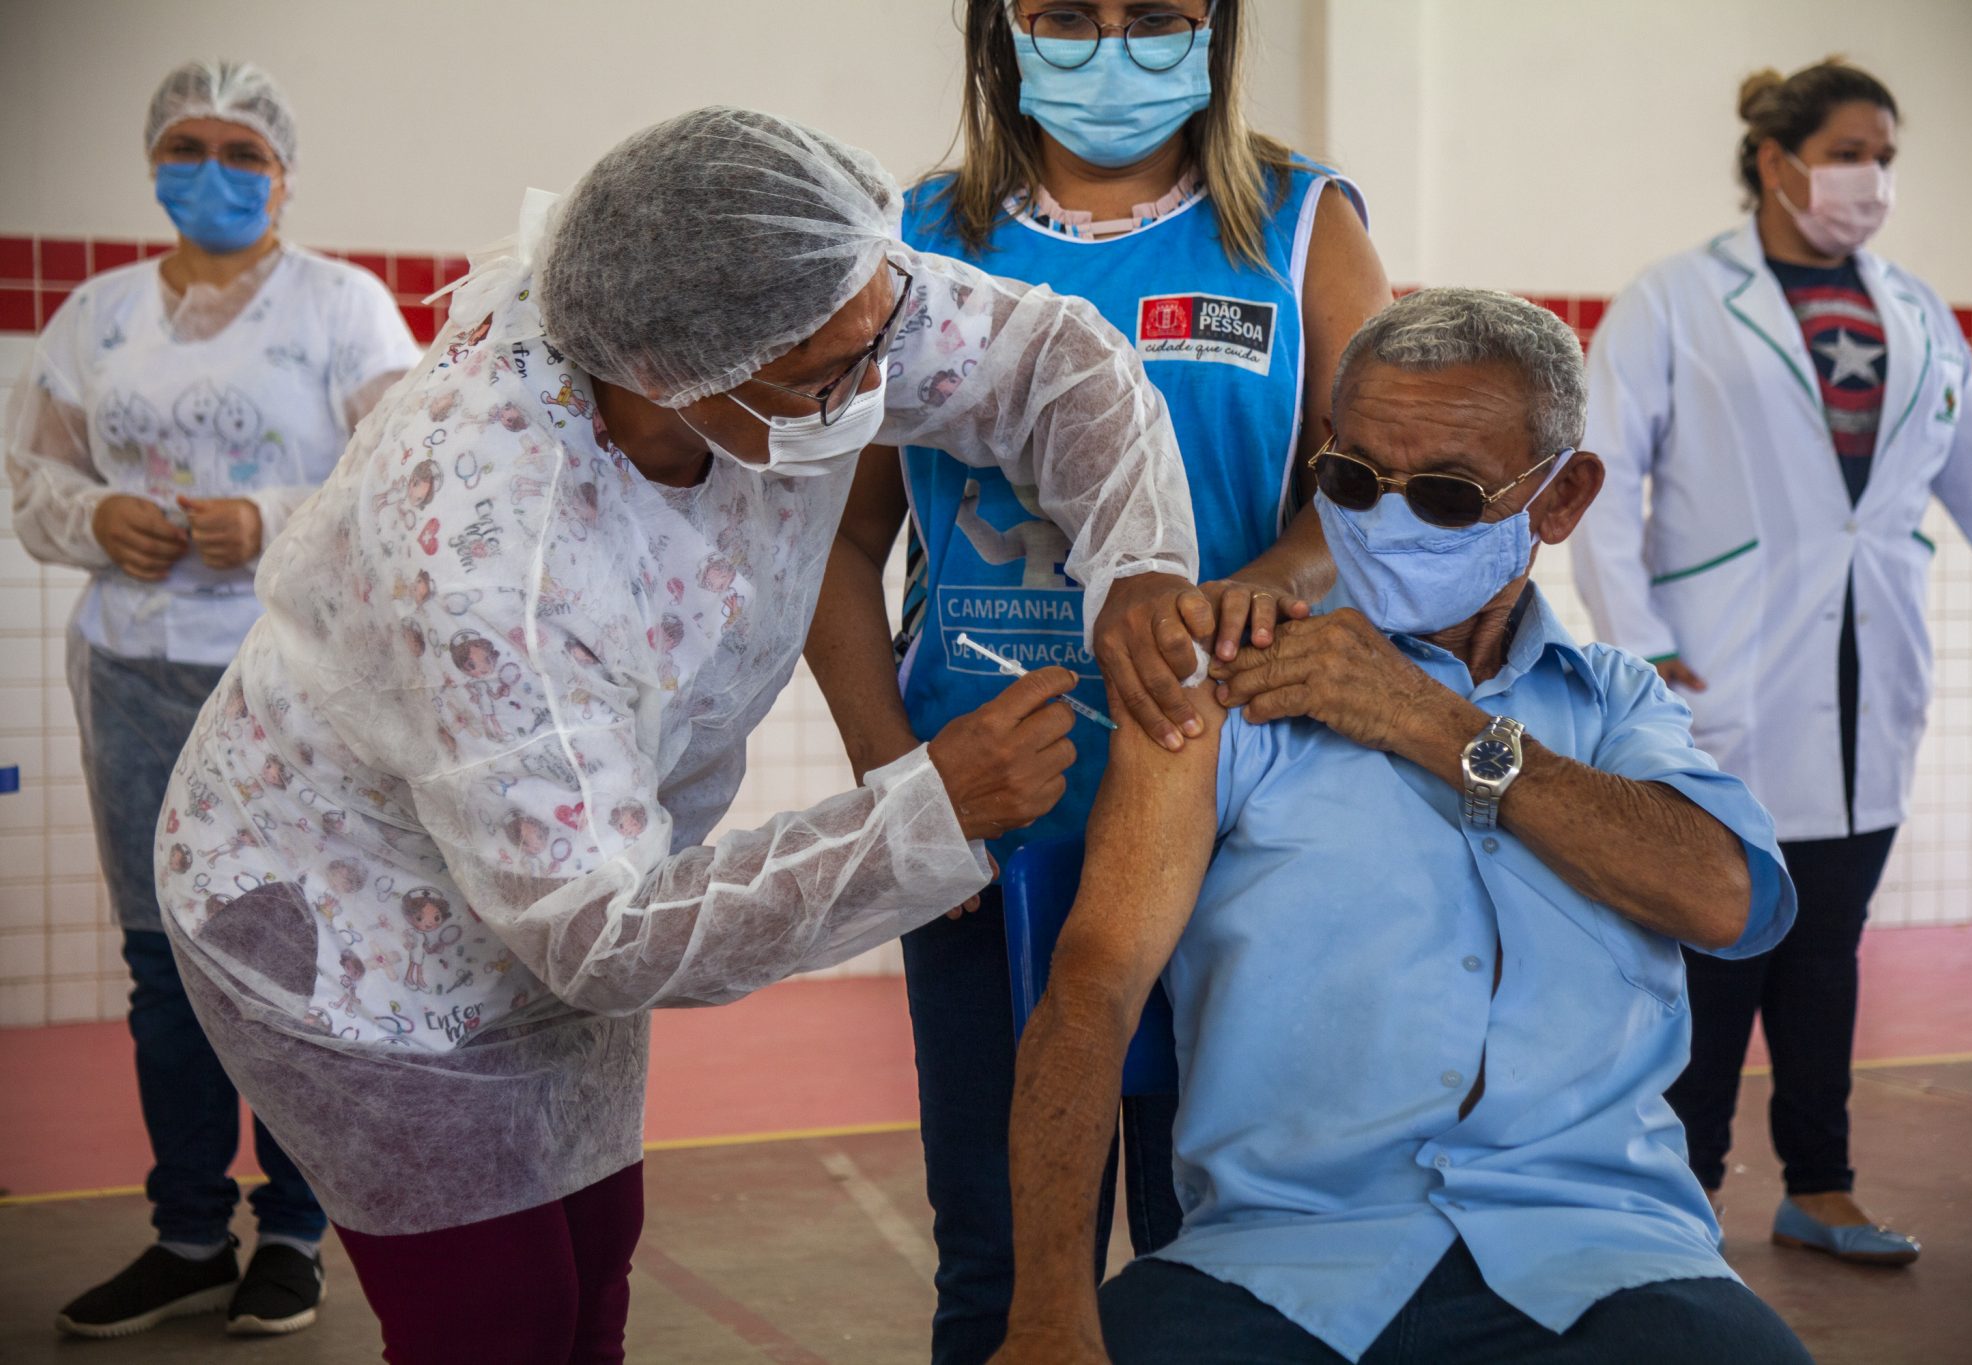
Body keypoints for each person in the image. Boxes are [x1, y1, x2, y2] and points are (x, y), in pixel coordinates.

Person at [149, 106, 1202, 1365]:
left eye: (881, 340)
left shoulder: (805, 303)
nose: (877, 389)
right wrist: (927, 810)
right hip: (343, 921)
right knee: (500, 1323)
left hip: (565, 863)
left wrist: (1136, 559)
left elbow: (1049, 362)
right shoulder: (492, 553)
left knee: (595, 1263)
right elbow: (599, 934)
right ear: (667, 372)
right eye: (829, 377)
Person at [991, 289, 1813, 1365]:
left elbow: (1726, 902)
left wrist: (1433, 724)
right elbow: (1092, 987)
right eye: (1351, 478)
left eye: (1442, 493)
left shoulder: (1614, 705)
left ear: (1560, 499)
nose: (1383, 518)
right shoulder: (1226, 692)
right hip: (1281, 1262)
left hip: (1603, 1259)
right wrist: (1051, 1314)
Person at [806, 4, 1389, 1355]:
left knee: (1219, 1262)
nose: (1110, 45)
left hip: (1234, 808)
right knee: (1005, 1270)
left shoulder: (1301, 227)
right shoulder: (915, 236)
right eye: (1070, 13)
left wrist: (1271, 584)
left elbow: (1365, 505)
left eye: (1156, 16)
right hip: (988, 818)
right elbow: (837, 540)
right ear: (1002, 27)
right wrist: (904, 790)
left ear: (1219, 30)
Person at [1571, 59, 1972, 1266]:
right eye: (1848, 151)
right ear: (1776, 161)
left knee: (1827, 944)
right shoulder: (1676, 299)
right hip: (1713, 673)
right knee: (1714, 948)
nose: (1869, 179)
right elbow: (1600, 480)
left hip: (1863, 675)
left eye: (1882, 155)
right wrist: (1636, 647)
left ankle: (1818, 1185)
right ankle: (1673, 1198)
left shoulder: (1916, 312)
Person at [5, 60, 418, 1340]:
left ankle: (292, 1230)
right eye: (187, 145)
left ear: (283, 173)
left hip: (290, 678)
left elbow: (402, 483)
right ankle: (187, 1230)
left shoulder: (342, 308)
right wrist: (95, 514)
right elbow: (31, 485)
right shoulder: (96, 316)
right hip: (133, 670)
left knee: (289, 953)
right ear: (151, 161)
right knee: (160, 962)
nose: (214, 171)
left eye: (243, 152)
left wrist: (272, 519)